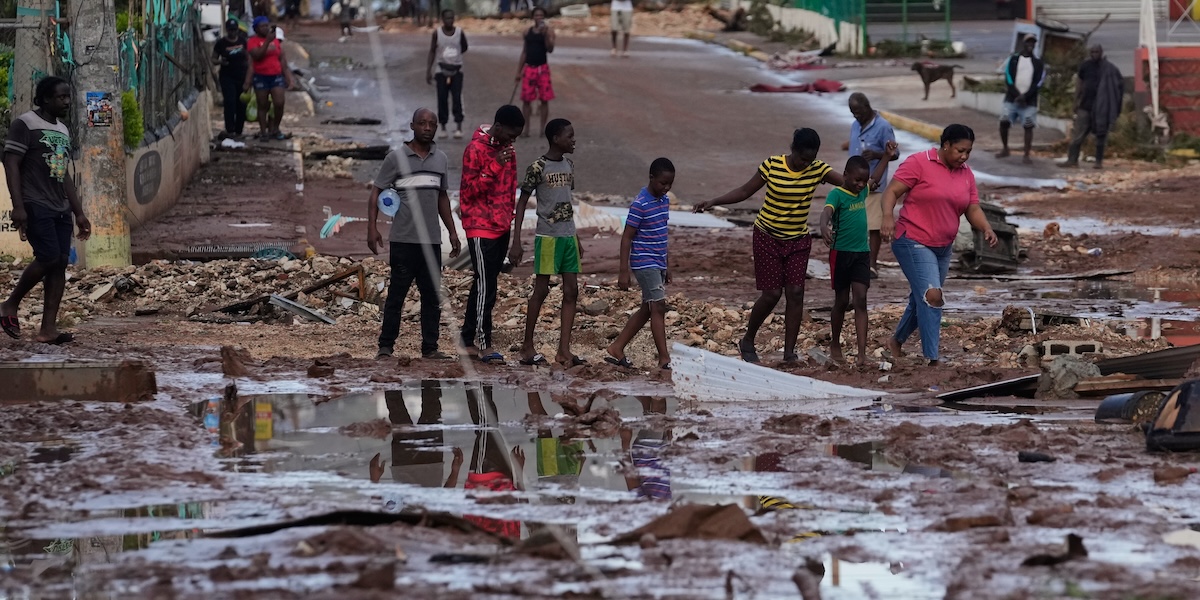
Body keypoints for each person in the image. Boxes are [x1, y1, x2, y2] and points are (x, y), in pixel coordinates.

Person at [694, 128, 843, 364]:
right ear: (793, 150)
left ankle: (789, 353)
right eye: (802, 159)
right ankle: (748, 340)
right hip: (767, 236)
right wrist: (714, 201)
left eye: (810, 159)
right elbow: (745, 190)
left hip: (798, 240)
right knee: (772, 294)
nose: (805, 164)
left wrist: (871, 175)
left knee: (796, 293)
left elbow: (849, 182)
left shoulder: (818, 169)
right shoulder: (772, 165)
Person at [880, 125, 998, 366]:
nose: (964, 156)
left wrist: (986, 228)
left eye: (968, 152)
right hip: (912, 239)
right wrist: (887, 217)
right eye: (960, 150)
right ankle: (932, 358)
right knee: (932, 296)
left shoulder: (966, 173)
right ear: (946, 145)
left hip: (943, 247)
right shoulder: (919, 162)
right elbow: (891, 191)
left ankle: (896, 341)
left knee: (921, 299)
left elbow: (972, 207)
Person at [0, 76, 92, 344]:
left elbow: (63, 174)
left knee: (60, 262)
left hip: (60, 206)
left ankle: (48, 329)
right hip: (35, 202)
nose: (66, 102)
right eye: (61, 97)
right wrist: (18, 206)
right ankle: (9, 304)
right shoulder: (25, 124)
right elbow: (11, 164)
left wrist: (79, 212)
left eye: (68, 97)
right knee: (49, 257)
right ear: (45, 99)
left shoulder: (62, 130)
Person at [368, 108, 461, 360]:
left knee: (431, 296)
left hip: (431, 241)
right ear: (412, 126)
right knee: (396, 296)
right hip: (403, 240)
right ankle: (385, 347)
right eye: (422, 123)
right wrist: (371, 227)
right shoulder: (395, 158)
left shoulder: (440, 159)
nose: (427, 128)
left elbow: (442, 197)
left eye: (432, 124)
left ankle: (430, 348)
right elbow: (376, 193)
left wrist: (452, 232)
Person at [510, 118, 584, 367]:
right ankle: (527, 346)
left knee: (571, 291)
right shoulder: (537, 167)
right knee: (541, 290)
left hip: (568, 237)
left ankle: (564, 351)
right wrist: (516, 241)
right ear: (555, 139)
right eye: (569, 136)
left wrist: (577, 238)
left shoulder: (569, 165)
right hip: (548, 238)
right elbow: (522, 203)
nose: (573, 140)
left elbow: (566, 204)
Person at [459, 105, 525, 364]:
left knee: (485, 284)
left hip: (501, 226)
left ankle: (467, 340)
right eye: (510, 135)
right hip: (479, 226)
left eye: (516, 137)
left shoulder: (509, 150)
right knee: (486, 286)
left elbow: (510, 189)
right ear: (498, 127)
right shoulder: (475, 150)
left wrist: (510, 226)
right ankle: (484, 343)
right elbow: (469, 192)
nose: (513, 141)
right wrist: (494, 165)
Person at [819, 147, 896, 366]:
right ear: (845, 175)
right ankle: (835, 344)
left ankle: (862, 354)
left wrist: (886, 157)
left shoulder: (862, 192)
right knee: (842, 301)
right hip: (840, 254)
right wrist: (823, 227)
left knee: (860, 299)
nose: (861, 185)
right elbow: (826, 212)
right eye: (857, 180)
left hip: (862, 254)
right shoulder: (837, 194)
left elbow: (875, 178)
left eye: (863, 181)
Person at [606, 158, 675, 371]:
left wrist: (666, 264)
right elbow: (626, 237)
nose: (666, 188)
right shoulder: (640, 204)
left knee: (647, 308)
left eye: (670, 184)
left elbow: (661, 234)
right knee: (658, 306)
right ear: (651, 178)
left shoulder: (664, 201)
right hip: (644, 262)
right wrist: (623, 271)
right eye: (663, 183)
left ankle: (617, 347)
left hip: (658, 261)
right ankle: (664, 358)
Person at [846, 92, 898, 277]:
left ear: (867, 107)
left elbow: (895, 153)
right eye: (853, 113)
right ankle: (855, 262)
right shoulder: (855, 125)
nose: (856, 116)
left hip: (875, 183)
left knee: (874, 226)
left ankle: (871, 265)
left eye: (858, 112)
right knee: (855, 224)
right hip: (853, 184)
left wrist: (876, 154)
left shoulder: (883, 126)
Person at [1061, 44, 1124, 170]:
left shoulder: (1109, 69)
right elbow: (1079, 83)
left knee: (1100, 135)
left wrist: (1114, 107)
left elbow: (1118, 88)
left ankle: (1098, 161)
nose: (1094, 54)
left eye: (1097, 52)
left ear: (1101, 52)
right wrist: (1076, 101)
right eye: (1092, 52)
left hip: (1102, 107)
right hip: (1085, 106)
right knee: (1077, 134)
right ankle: (1072, 160)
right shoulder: (1085, 66)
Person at [244, 16, 295, 141]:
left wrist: (289, 78)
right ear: (256, 29)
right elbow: (257, 56)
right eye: (262, 26)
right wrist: (267, 42)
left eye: (267, 25)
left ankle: (275, 129)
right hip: (260, 76)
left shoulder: (275, 41)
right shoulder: (252, 42)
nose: (266, 28)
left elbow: (282, 61)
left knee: (279, 103)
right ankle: (263, 131)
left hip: (276, 76)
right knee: (263, 105)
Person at [996, 35, 1045, 164]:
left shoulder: (1038, 62)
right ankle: (1005, 148)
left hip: (1029, 101)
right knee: (1004, 122)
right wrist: (1017, 95)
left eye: (1033, 43)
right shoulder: (1013, 59)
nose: (1030, 45)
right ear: (1023, 44)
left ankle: (1026, 154)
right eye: (1028, 42)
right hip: (1012, 99)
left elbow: (1039, 82)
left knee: (1028, 126)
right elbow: (1008, 77)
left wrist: (1026, 96)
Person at [427, 9, 468, 140]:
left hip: (457, 70)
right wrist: (429, 70)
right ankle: (443, 127)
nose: (449, 20)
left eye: (451, 18)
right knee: (442, 98)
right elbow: (432, 51)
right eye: (447, 18)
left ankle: (459, 127)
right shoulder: (437, 33)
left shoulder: (459, 33)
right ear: (442, 19)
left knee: (457, 98)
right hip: (441, 70)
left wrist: (454, 56)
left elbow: (464, 47)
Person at [515, 7, 555, 139]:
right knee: (526, 100)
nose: (539, 18)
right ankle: (526, 129)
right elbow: (524, 52)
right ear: (533, 17)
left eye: (541, 15)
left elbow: (550, 49)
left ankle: (542, 129)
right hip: (529, 69)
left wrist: (546, 35)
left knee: (544, 99)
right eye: (537, 15)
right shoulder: (527, 32)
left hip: (542, 69)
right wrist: (519, 71)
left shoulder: (549, 31)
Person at [213, 19, 249, 139]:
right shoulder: (221, 43)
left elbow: (248, 57)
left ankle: (239, 130)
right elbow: (213, 59)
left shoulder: (242, 41)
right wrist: (221, 62)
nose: (233, 32)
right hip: (227, 76)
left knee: (241, 104)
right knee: (230, 102)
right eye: (230, 30)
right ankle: (230, 129)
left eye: (235, 30)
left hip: (241, 75)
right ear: (227, 30)